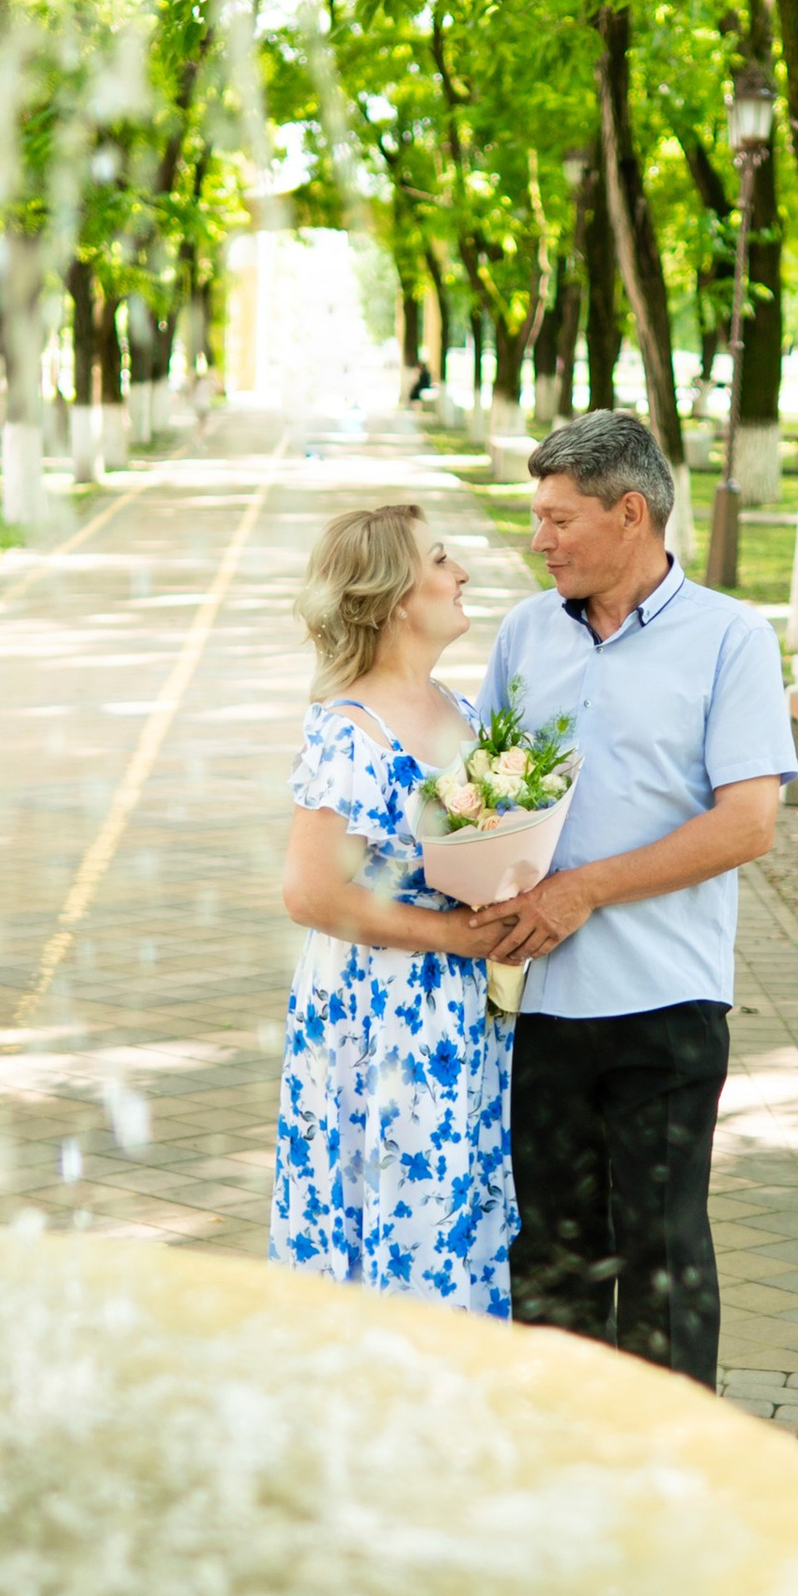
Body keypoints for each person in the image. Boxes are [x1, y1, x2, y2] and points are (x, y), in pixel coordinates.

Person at [483, 410, 798, 1386]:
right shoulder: (526, 633)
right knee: (548, 1257)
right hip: (536, 1008)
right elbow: (492, 794)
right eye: (537, 518)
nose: (540, 539)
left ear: (631, 512)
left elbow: (747, 823)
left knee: (660, 1255)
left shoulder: (730, 638)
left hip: (664, 1004)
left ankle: (671, 1476)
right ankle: (558, 1469)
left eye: (558, 519)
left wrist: (588, 888)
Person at [270, 500, 516, 1315]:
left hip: (453, 1015)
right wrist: (451, 932)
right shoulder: (351, 731)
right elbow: (309, 891)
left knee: (445, 1219)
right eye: (441, 559)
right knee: (384, 1221)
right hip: (373, 1017)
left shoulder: (464, 713)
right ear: (397, 597)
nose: (462, 573)